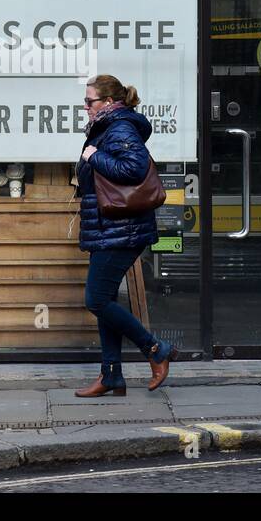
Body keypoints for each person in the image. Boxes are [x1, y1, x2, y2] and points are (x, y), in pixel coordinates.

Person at [72, 74, 178, 397]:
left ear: (107, 103)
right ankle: (111, 375)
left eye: (89, 101)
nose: (85, 106)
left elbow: (133, 168)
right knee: (105, 299)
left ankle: (155, 348)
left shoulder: (120, 128)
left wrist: (93, 157)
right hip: (109, 226)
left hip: (122, 228)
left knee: (96, 299)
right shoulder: (107, 126)